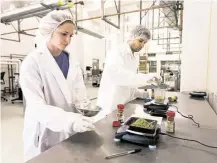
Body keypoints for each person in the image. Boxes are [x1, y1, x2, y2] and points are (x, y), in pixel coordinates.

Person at [19, 10, 95, 161]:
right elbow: (36, 106)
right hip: (44, 130)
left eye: (71, 36)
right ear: (50, 31)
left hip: (70, 130)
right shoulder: (32, 62)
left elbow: (80, 93)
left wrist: (85, 108)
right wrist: (69, 121)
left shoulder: (72, 61)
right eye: (64, 34)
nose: (68, 40)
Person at [97, 25, 159, 115]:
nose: (142, 45)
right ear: (132, 37)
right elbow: (119, 77)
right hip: (111, 105)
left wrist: (140, 94)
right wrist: (147, 78)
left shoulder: (133, 58)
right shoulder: (117, 52)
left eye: (144, 43)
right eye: (140, 41)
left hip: (124, 105)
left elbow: (129, 84)